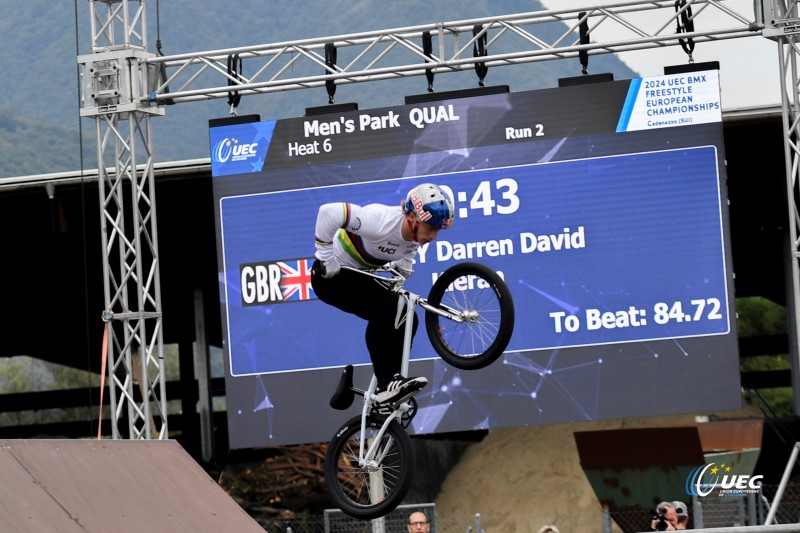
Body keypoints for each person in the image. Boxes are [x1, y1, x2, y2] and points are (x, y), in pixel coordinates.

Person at [311, 183, 454, 406]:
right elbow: (328, 213)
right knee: (387, 308)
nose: (434, 236)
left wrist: (404, 265)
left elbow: (406, 252)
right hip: (329, 277)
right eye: (431, 227)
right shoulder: (379, 222)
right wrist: (325, 258)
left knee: (408, 317)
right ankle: (386, 384)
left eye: (438, 229)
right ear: (413, 219)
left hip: (359, 276)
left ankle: (393, 383)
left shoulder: (414, 236)